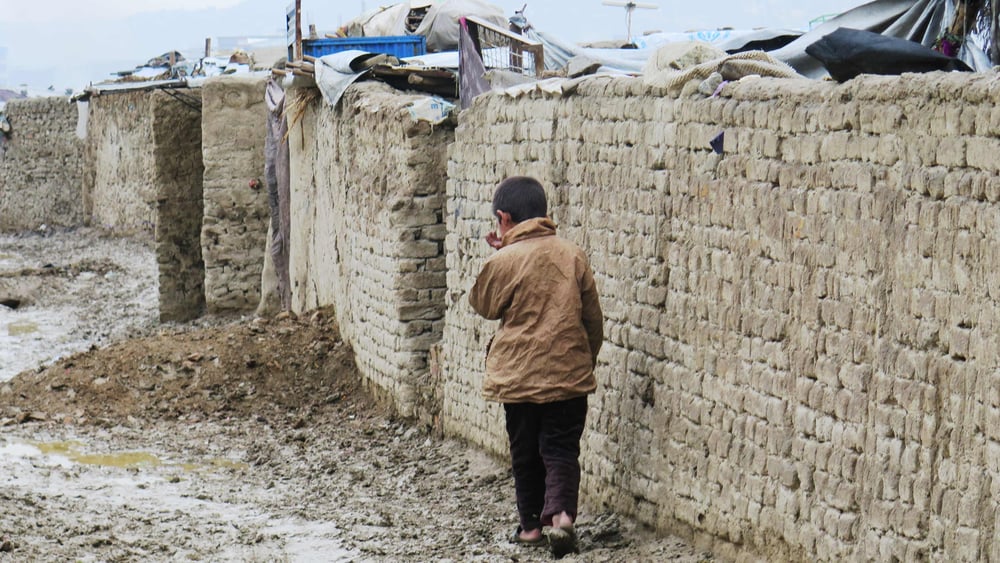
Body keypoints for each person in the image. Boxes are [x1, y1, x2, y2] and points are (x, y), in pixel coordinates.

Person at [468, 176, 604, 557]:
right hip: (568, 376)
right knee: (560, 448)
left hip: (518, 379)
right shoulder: (573, 254)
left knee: (524, 451)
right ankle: (561, 518)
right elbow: (593, 319)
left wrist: (498, 255)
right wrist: (584, 359)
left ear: (504, 218)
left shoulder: (505, 259)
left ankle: (529, 528)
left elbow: (483, 305)